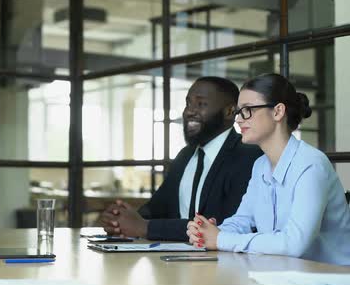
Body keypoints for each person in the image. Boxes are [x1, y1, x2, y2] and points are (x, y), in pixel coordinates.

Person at [187, 73, 350, 266]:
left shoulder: (311, 164)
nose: (238, 120)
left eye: (247, 110)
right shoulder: (260, 165)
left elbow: (294, 243)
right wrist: (209, 231)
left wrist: (221, 239)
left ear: (278, 112)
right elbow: (242, 220)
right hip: (284, 275)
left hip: (331, 281)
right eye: (239, 112)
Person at [99, 77, 263, 241]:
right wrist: (120, 219)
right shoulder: (185, 156)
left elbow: (226, 224)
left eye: (201, 104)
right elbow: (157, 208)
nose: (189, 111)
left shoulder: (248, 157)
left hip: (224, 264)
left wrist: (144, 227)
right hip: (174, 263)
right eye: (188, 103)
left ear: (229, 112)